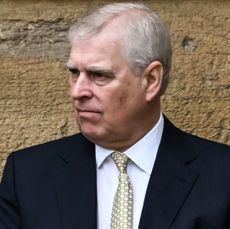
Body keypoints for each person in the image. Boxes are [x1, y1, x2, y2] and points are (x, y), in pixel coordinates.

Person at [0, 2, 229, 229]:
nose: (77, 91)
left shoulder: (221, 177)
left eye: (99, 75)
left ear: (151, 80)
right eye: (74, 73)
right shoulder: (27, 175)